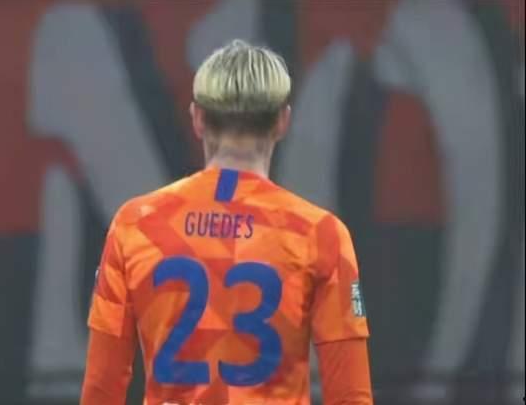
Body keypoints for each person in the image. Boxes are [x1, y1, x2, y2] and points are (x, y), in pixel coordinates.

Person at [81, 39, 373, 405]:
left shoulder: (134, 224)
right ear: (283, 120)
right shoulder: (321, 234)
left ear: (197, 118)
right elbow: (350, 397)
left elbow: (101, 388)